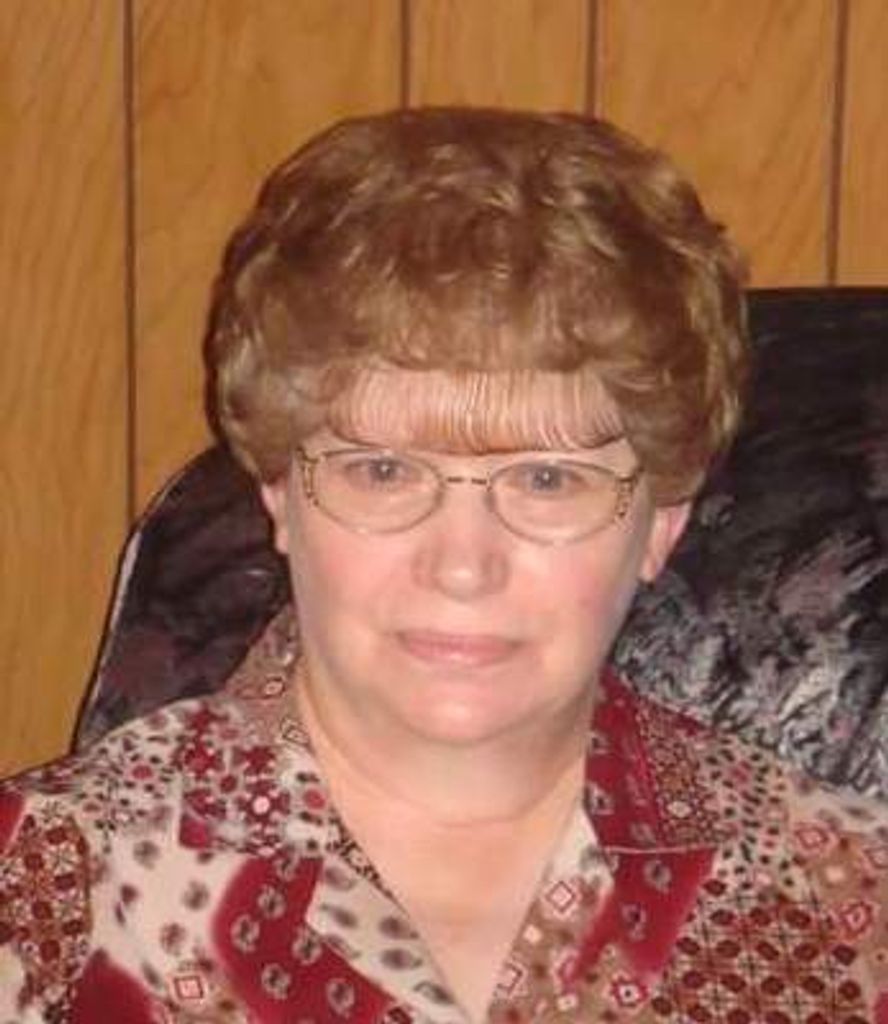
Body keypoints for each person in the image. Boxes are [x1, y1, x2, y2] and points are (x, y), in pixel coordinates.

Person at [1, 108, 887, 1024]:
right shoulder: (40, 897)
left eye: (547, 480)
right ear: (280, 494)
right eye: (383, 472)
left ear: (662, 519)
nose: (463, 566)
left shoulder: (852, 915)